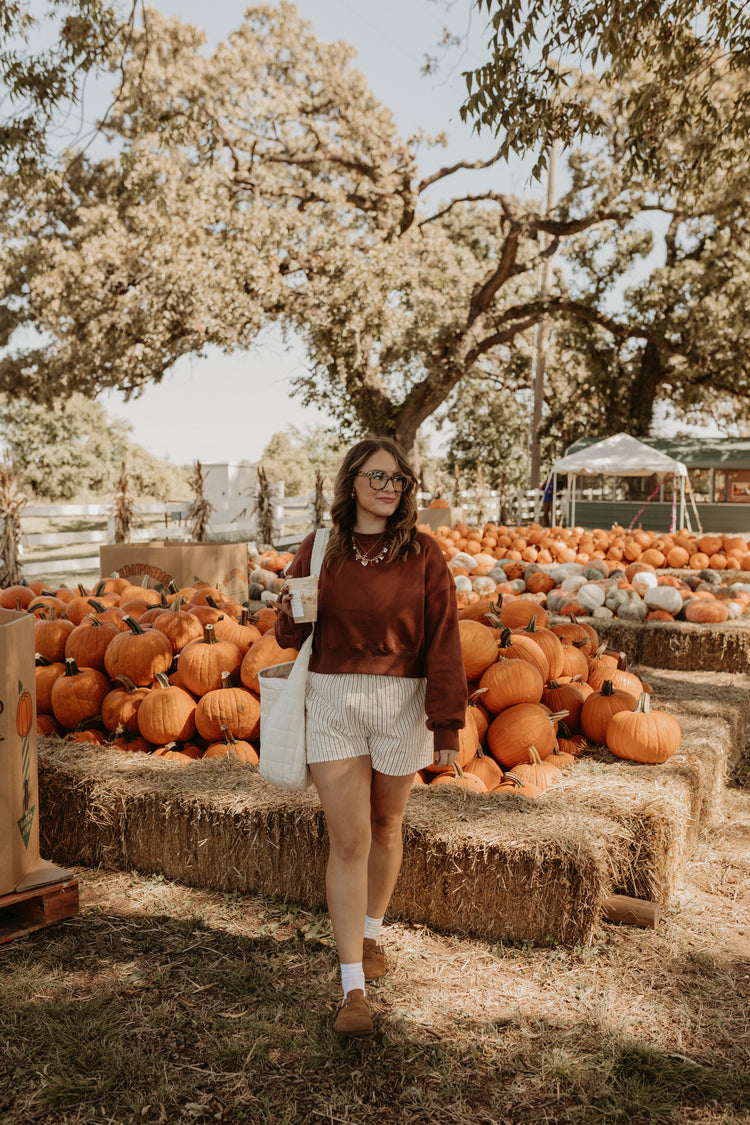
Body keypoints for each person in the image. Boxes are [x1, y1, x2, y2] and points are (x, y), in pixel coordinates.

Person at [274, 437, 467, 1037]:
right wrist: (286, 607)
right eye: (377, 477)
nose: (390, 487)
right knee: (350, 840)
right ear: (351, 481)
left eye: (399, 480)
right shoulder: (321, 547)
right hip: (332, 700)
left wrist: (447, 725)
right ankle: (352, 987)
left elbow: (444, 641)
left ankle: (372, 931)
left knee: (386, 827)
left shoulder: (424, 554)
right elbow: (289, 635)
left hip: (400, 703)